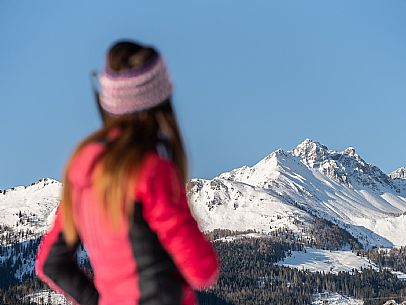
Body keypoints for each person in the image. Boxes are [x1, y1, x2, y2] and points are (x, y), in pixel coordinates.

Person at [35, 40, 220, 305]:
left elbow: (52, 263)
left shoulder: (81, 167)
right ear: (162, 105)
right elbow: (202, 268)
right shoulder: (151, 170)